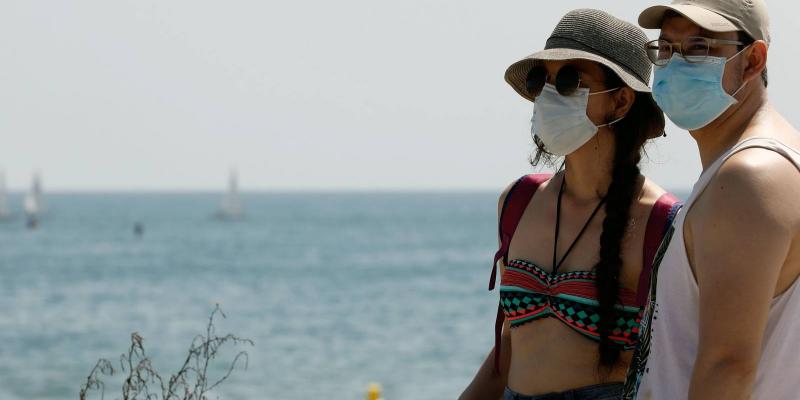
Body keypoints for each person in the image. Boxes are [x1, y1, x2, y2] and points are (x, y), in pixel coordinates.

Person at [459, 9, 681, 400]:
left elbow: (677, 366)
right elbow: (509, 352)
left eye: (567, 80)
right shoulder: (517, 202)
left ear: (621, 101)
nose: (545, 94)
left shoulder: (662, 223)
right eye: (539, 79)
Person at [623, 1, 800, 399]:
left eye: (700, 47)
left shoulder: (749, 178)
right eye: (666, 48)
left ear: (753, 60)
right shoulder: (752, 167)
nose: (675, 65)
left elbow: (728, 366)